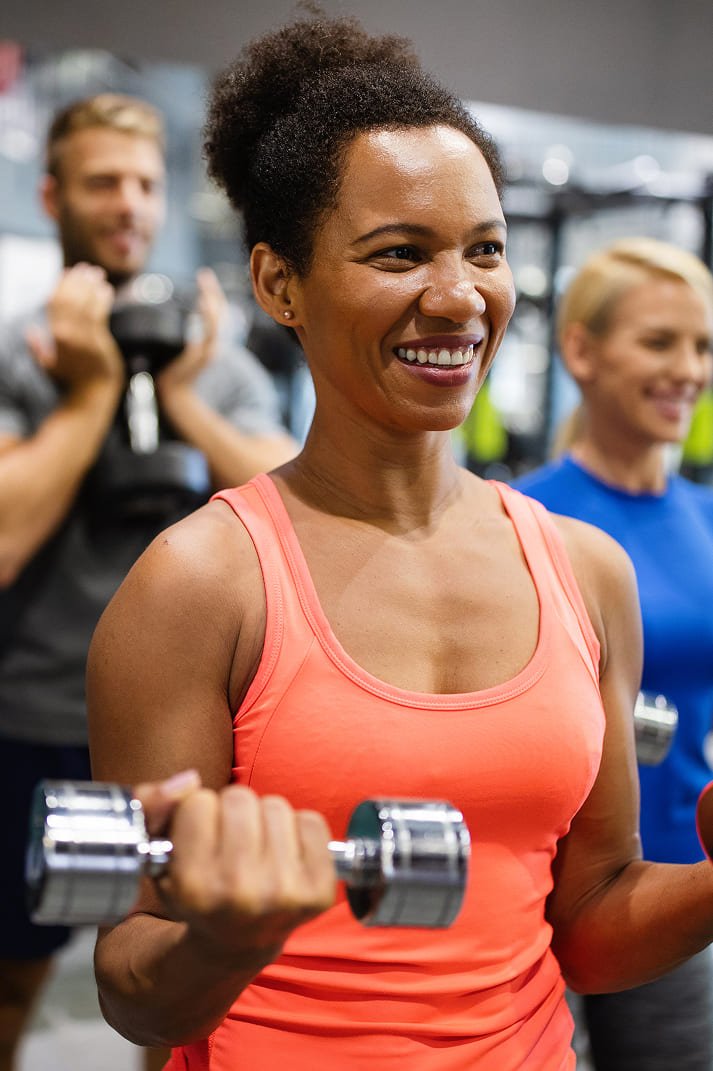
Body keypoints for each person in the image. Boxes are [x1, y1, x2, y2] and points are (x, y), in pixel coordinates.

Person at [82, 13, 713, 1071]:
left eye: (484, 249)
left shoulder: (580, 570)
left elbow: (589, 925)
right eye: (398, 254)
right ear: (279, 283)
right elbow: (134, 989)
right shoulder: (197, 585)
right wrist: (223, 940)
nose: (458, 296)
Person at [0, 93, 297, 1071]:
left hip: (186, 722)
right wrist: (90, 395)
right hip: (31, 718)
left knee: (175, 990)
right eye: (99, 183)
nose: (126, 204)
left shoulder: (214, 359)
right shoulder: (19, 354)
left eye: (140, 182)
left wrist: (176, 396)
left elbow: (296, 519)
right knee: (11, 985)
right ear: (52, 196)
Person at [515, 237, 713, 1070]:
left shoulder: (704, 516)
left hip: (672, 872)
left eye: (701, 345)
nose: (688, 369)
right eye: (659, 341)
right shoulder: (522, 517)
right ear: (581, 351)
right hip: (539, 884)